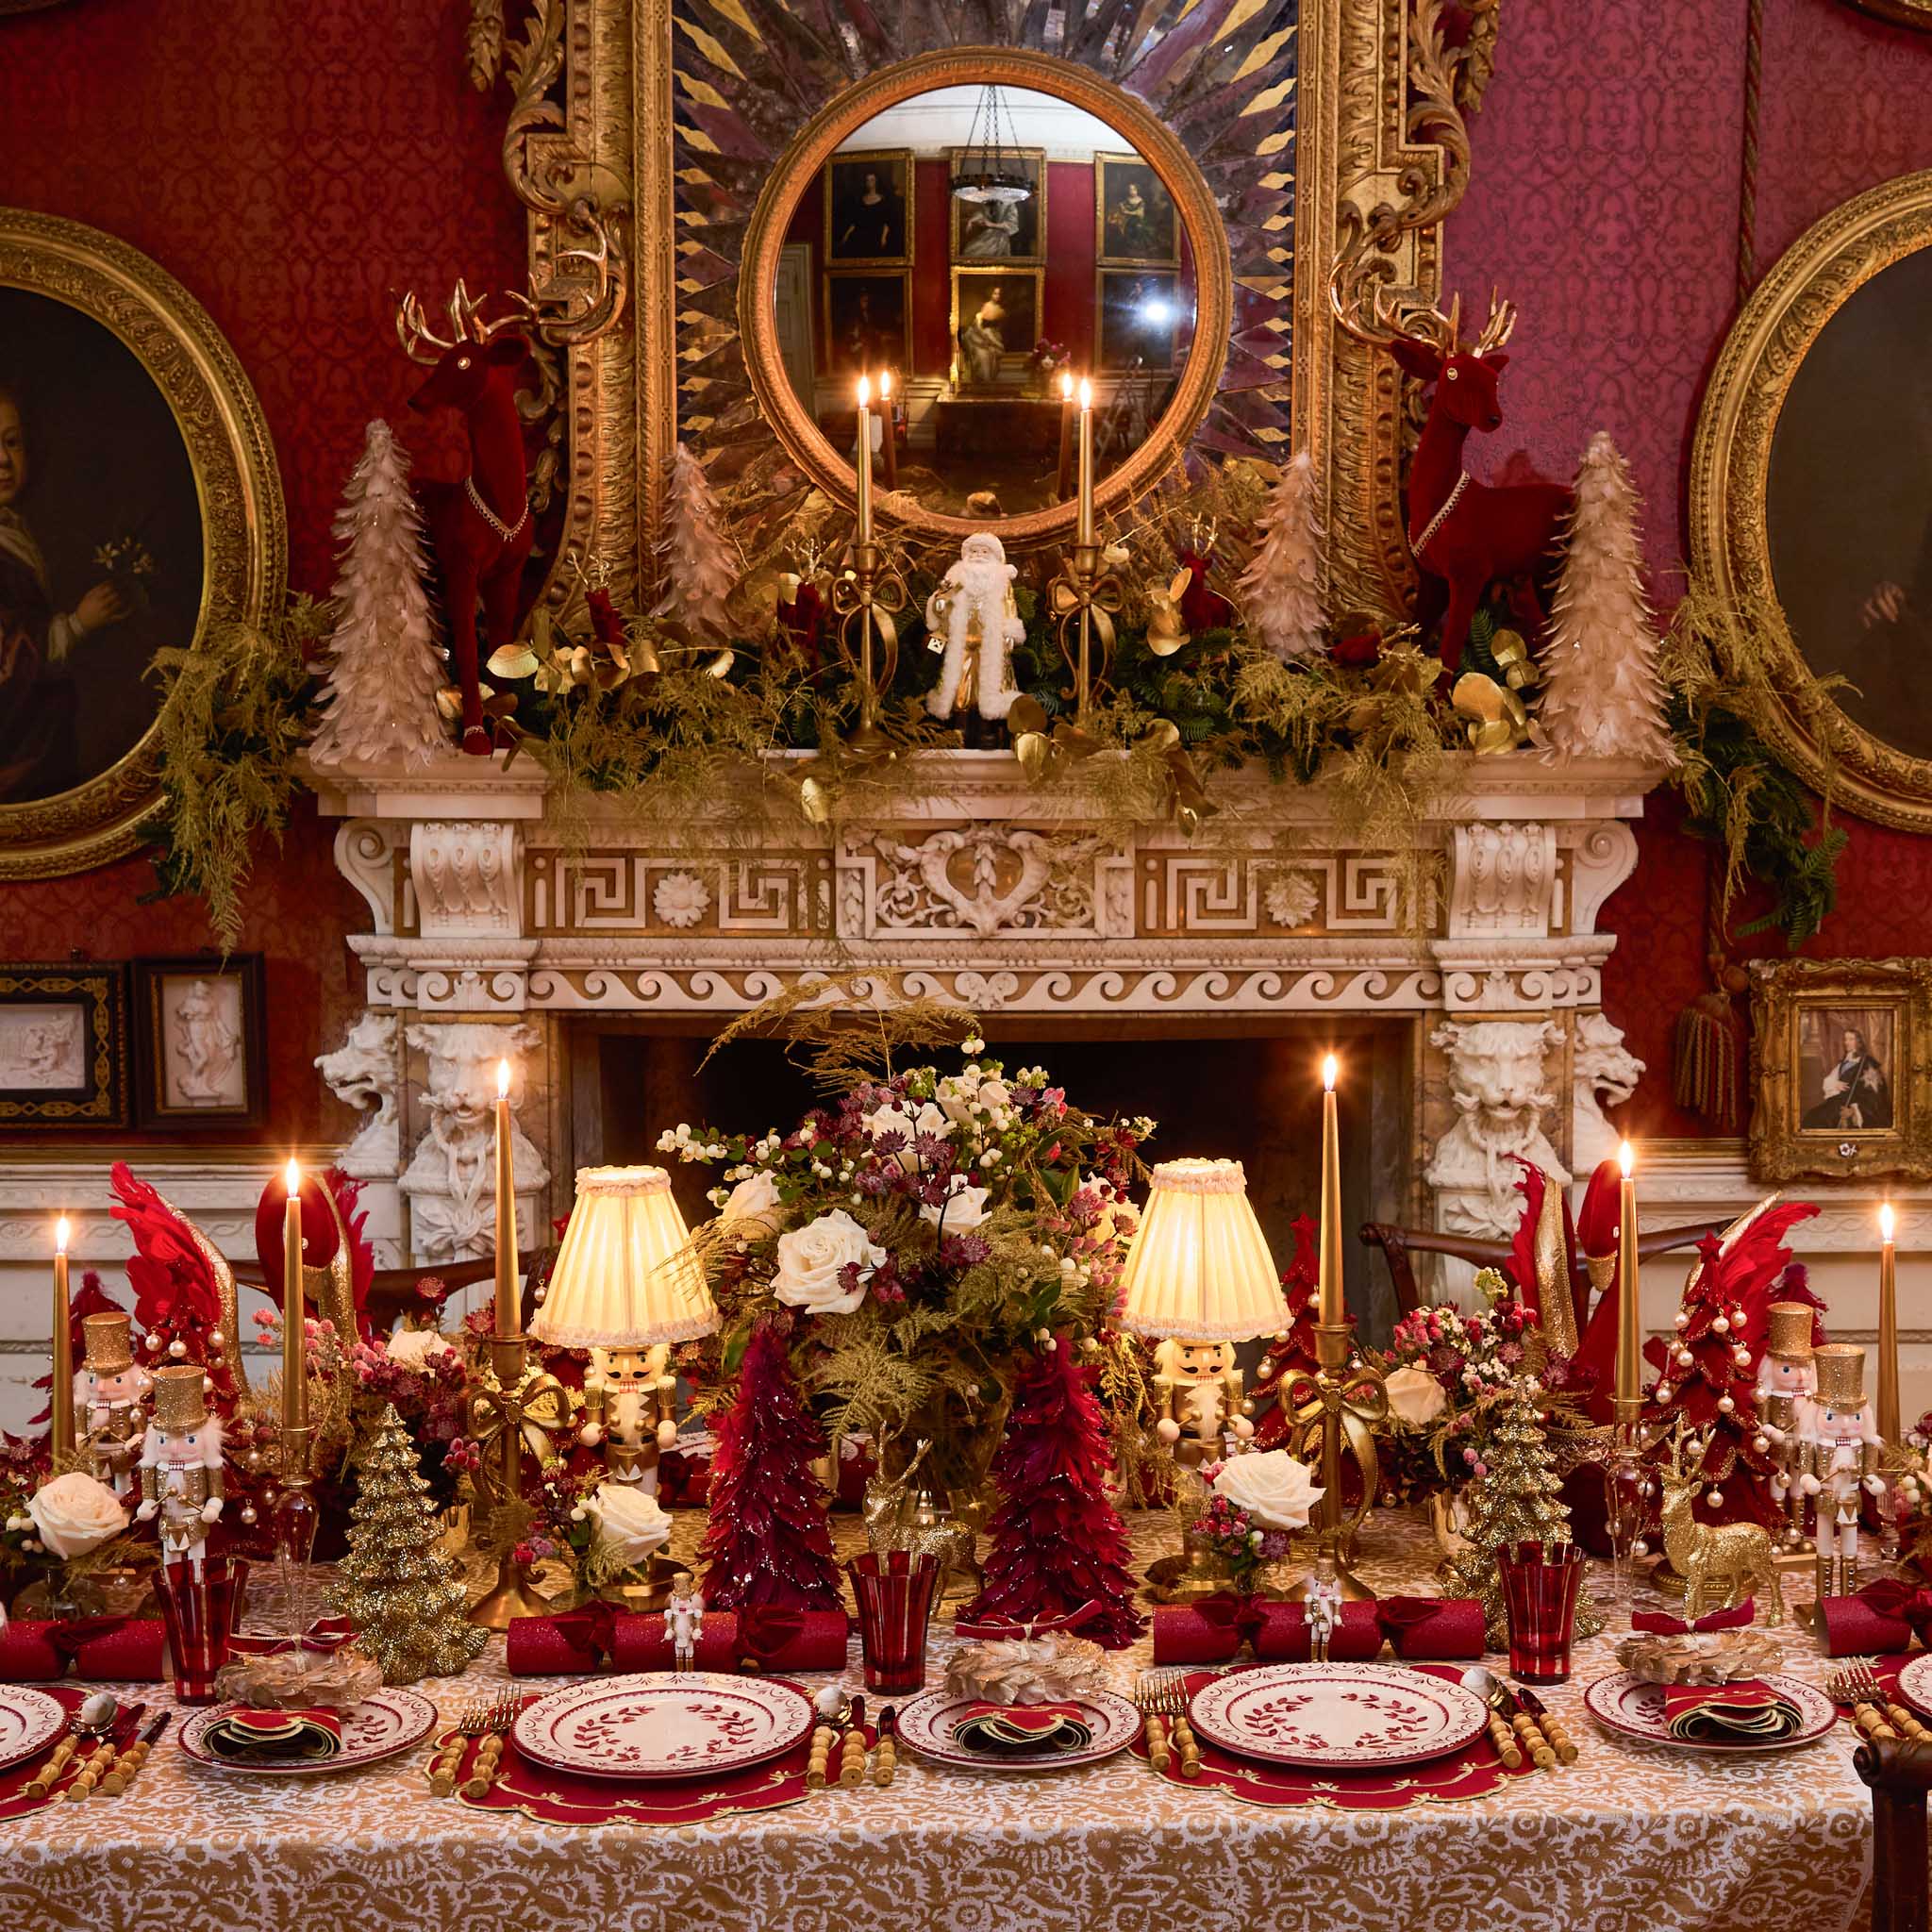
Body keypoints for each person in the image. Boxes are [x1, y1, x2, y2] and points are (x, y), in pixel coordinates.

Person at [0, 380, 129, 800]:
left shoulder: (17, 528)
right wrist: (76, 625)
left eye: (12, 443)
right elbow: (6, 656)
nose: (2, 461)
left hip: (41, 737)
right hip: (13, 752)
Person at [1802, 1024, 1892, 1131]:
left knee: (1823, 1121)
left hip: (1856, 1106)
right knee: (1812, 1117)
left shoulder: (1867, 1063)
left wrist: (1854, 1111)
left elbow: (1875, 1096)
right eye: (1845, 1039)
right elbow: (1829, 1080)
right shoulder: (1846, 1061)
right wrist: (1835, 1083)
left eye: (1851, 1039)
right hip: (1838, 1102)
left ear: (1859, 1041)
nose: (1846, 1042)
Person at [834, 169, 903, 258]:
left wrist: (883, 237)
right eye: (867, 180)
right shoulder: (861, 200)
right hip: (861, 235)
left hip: (875, 236)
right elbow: (855, 222)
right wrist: (846, 236)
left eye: (872, 180)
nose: (869, 182)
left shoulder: (883, 201)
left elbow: (887, 222)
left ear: (876, 182)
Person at [958, 286, 1006, 387]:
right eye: (995, 293)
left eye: (999, 294)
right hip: (979, 335)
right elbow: (978, 325)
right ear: (991, 294)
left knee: (994, 351)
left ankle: (989, 379)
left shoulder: (1000, 310)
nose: (997, 296)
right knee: (983, 354)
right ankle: (984, 380)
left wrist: (993, 338)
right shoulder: (986, 306)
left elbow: (999, 328)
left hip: (992, 336)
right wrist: (984, 334)